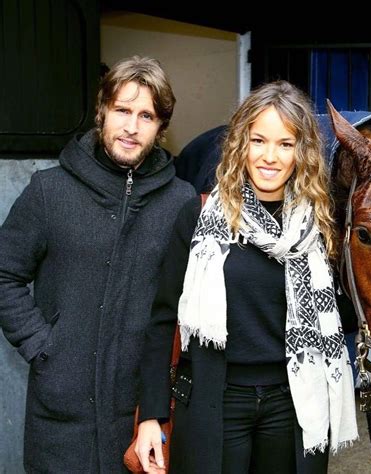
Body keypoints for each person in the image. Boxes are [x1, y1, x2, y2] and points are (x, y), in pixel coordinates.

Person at [136, 80, 358, 474]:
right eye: (259, 140)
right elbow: (162, 319)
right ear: (242, 144)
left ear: (301, 153)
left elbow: (345, 316)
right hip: (214, 400)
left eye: (285, 144)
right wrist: (151, 416)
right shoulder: (198, 217)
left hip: (292, 405)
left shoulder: (319, 228)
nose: (270, 156)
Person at [0, 56, 195, 472]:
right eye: (123, 110)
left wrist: (160, 404)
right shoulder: (49, 192)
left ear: (161, 127)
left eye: (146, 115)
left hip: (140, 419)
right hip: (60, 420)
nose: (131, 127)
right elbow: (4, 273)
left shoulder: (180, 202)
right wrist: (43, 346)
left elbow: (187, 309)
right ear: (102, 111)